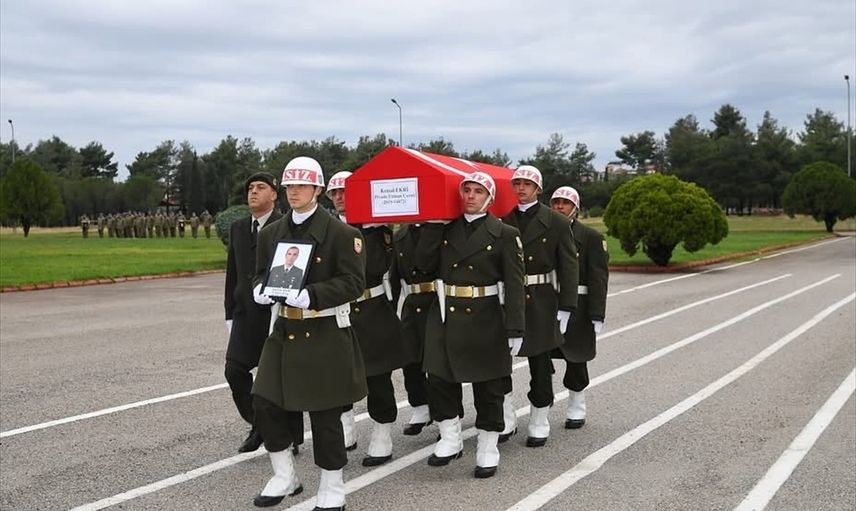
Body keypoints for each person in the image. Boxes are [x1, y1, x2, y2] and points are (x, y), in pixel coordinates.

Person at [251, 156, 367, 510]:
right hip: (285, 328)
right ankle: (285, 474)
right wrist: (259, 289)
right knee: (265, 400)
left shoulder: (343, 234)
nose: (294, 192)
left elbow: (354, 282)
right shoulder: (271, 233)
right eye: (289, 186)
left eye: (302, 185)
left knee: (325, 413)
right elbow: (260, 274)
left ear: (318, 189)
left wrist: (313, 294)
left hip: (323, 329)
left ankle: (333, 484)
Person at [423, 171, 525, 479]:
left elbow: (515, 283)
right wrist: (431, 227)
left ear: (490, 198)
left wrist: (515, 327)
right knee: (438, 377)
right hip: (446, 313)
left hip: (485, 314)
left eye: (478, 191)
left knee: (489, 385)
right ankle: (450, 436)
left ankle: (488, 445)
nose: (470, 195)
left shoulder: (504, 233)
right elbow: (422, 266)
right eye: (466, 189)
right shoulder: (445, 229)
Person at [327, 170, 409, 467]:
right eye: (335, 193)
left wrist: (366, 229)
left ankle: (382, 433)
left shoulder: (376, 231)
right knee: (338, 375)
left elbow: (373, 267)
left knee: (377, 377)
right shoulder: (326, 229)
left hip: (371, 309)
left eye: (345, 191)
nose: (339, 197)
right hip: (337, 312)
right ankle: (345, 427)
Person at [224, 172, 303, 456]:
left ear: (274, 194)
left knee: (280, 378)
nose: (253, 192)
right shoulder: (238, 228)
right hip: (245, 315)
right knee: (234, 371)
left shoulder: (286, 227)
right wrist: (229, 313)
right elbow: (232, 273)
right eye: (250, 188)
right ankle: (260, 425)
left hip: (275, 313)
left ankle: (292, 434)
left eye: (260, 187)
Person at [501, 165, 578, 448]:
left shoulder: (556, 222)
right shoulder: (503, 220)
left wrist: (566, 306)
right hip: (509, 299)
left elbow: (569, 266)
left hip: (542, 299)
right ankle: (506, 415)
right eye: (517, 183)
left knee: (540, 363)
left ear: (538, 189)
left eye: (527, 184)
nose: (521, 188)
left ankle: (539, 417)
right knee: (500, 361)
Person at [550, 186, 609, 429]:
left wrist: (597, 313)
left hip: (578, 306)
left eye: (565, 203)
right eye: (556, 202)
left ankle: (576, 402)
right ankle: (541, 403)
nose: (559, 206)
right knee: (541, 357)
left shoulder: (591, 237)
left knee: (576, 357)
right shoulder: (544, 233)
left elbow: (598, 277)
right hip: (547, 304)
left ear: (575, 207)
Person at [390, 220, 446, 436]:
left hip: (437, 301)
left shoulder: (440, 228)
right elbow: (395, 274)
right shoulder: (401, 234)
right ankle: (421, 406)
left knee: (439, 364)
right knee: (410, 359)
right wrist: (390, 309)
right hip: (412, 302)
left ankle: (447, 414)